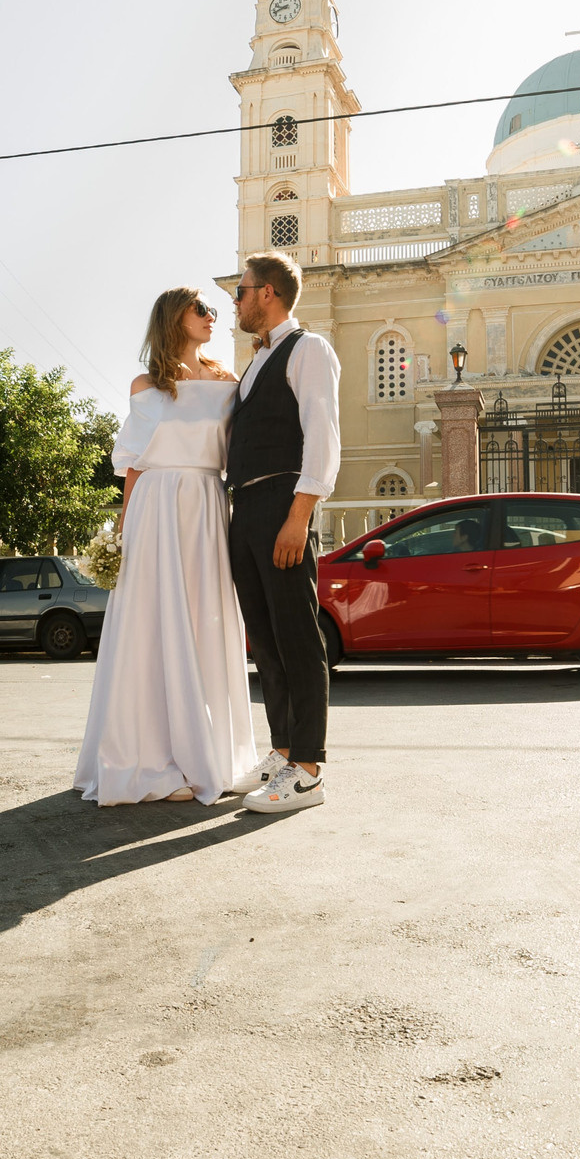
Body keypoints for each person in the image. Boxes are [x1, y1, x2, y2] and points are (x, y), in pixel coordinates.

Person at [74, 288, 262, 805]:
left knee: (204, 620)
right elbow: (134, 463)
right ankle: (152, 760)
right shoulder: (146, 384)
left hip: (204, 504)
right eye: (201, 309)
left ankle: (208, 753)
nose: (210, 318)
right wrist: (122, 532)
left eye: (213, 311)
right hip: (155, 508)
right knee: (150, 626)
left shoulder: (227, 381)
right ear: (173, 318)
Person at [227, 252, 341, 812]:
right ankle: (282, 751)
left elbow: (322, 436)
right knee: (266, 641)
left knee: (298, 638)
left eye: (241, 291)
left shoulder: (309, 349)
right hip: (245, 506)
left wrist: (299, 516)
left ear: (267, 292)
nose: (236, 300)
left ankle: (309, 771)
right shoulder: (256, 361)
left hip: (282, 502)